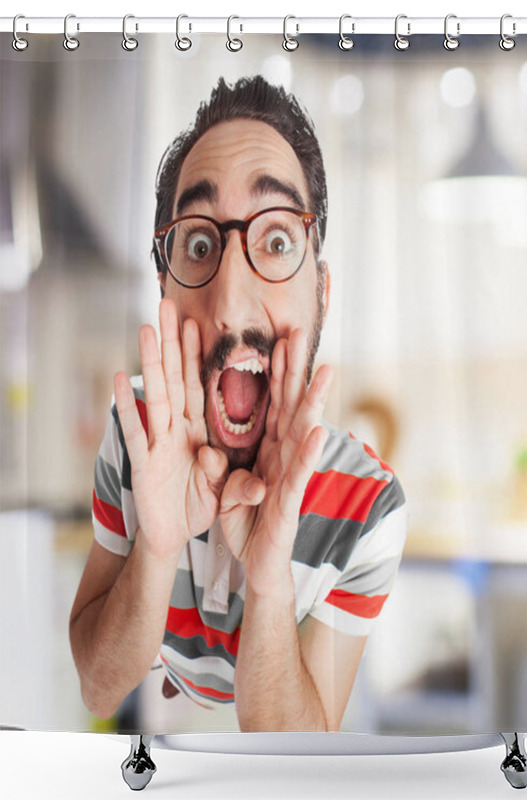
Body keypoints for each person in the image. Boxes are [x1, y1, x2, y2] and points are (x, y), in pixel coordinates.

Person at [68, 76, 407, 733]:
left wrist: (270, 577)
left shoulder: (369, 507)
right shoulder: (135, 432)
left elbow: (297, 759)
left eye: (276, 241)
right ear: (163, 285)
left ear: (322, 292)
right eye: (199, 245)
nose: (229, 303)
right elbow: (97, 685)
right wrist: (157, 547)